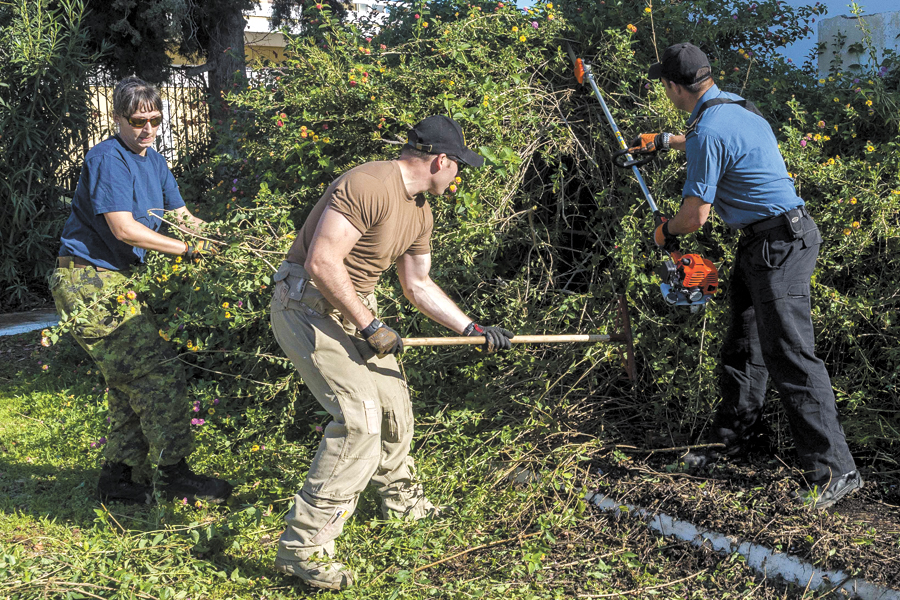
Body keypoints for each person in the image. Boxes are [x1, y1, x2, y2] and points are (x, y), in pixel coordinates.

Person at [269, 115, 514, 589]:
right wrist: (371, 324)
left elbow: (417, 284)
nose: (458, 176)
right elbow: (322, 261)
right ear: (440, 160)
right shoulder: (368, 184)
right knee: (360, 418)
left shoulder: (420, 211)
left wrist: (473, 328)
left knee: (393, 407)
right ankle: (304, 548)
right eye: (458, 166)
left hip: (355, 310)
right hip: (305, 305)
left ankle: (402, 505)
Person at [629, 43, 861, 510]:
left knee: (790, 354)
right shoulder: (738, 108)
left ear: (674, 87)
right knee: (744, 346)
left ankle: (836, 471)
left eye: (665, 85)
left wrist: (662, 233)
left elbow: (695, 217)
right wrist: (666, 141)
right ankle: (732, 444)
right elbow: (716, 142)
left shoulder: (708, 129)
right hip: (769, 241)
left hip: (778, 245)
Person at [51, 76, 232, 505]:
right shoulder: (107, 159)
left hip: (119, 280)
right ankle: (174, 476)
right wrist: (188, 250)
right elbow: (124, 228)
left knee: (127, 383)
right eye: (137, 121)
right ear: (118, 119)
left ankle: (119, 479)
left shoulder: (155, 161)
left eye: (155, 120)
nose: (147, 129)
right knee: (157, 373)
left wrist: (227, 241)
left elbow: (181, 218)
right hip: (87, 280)